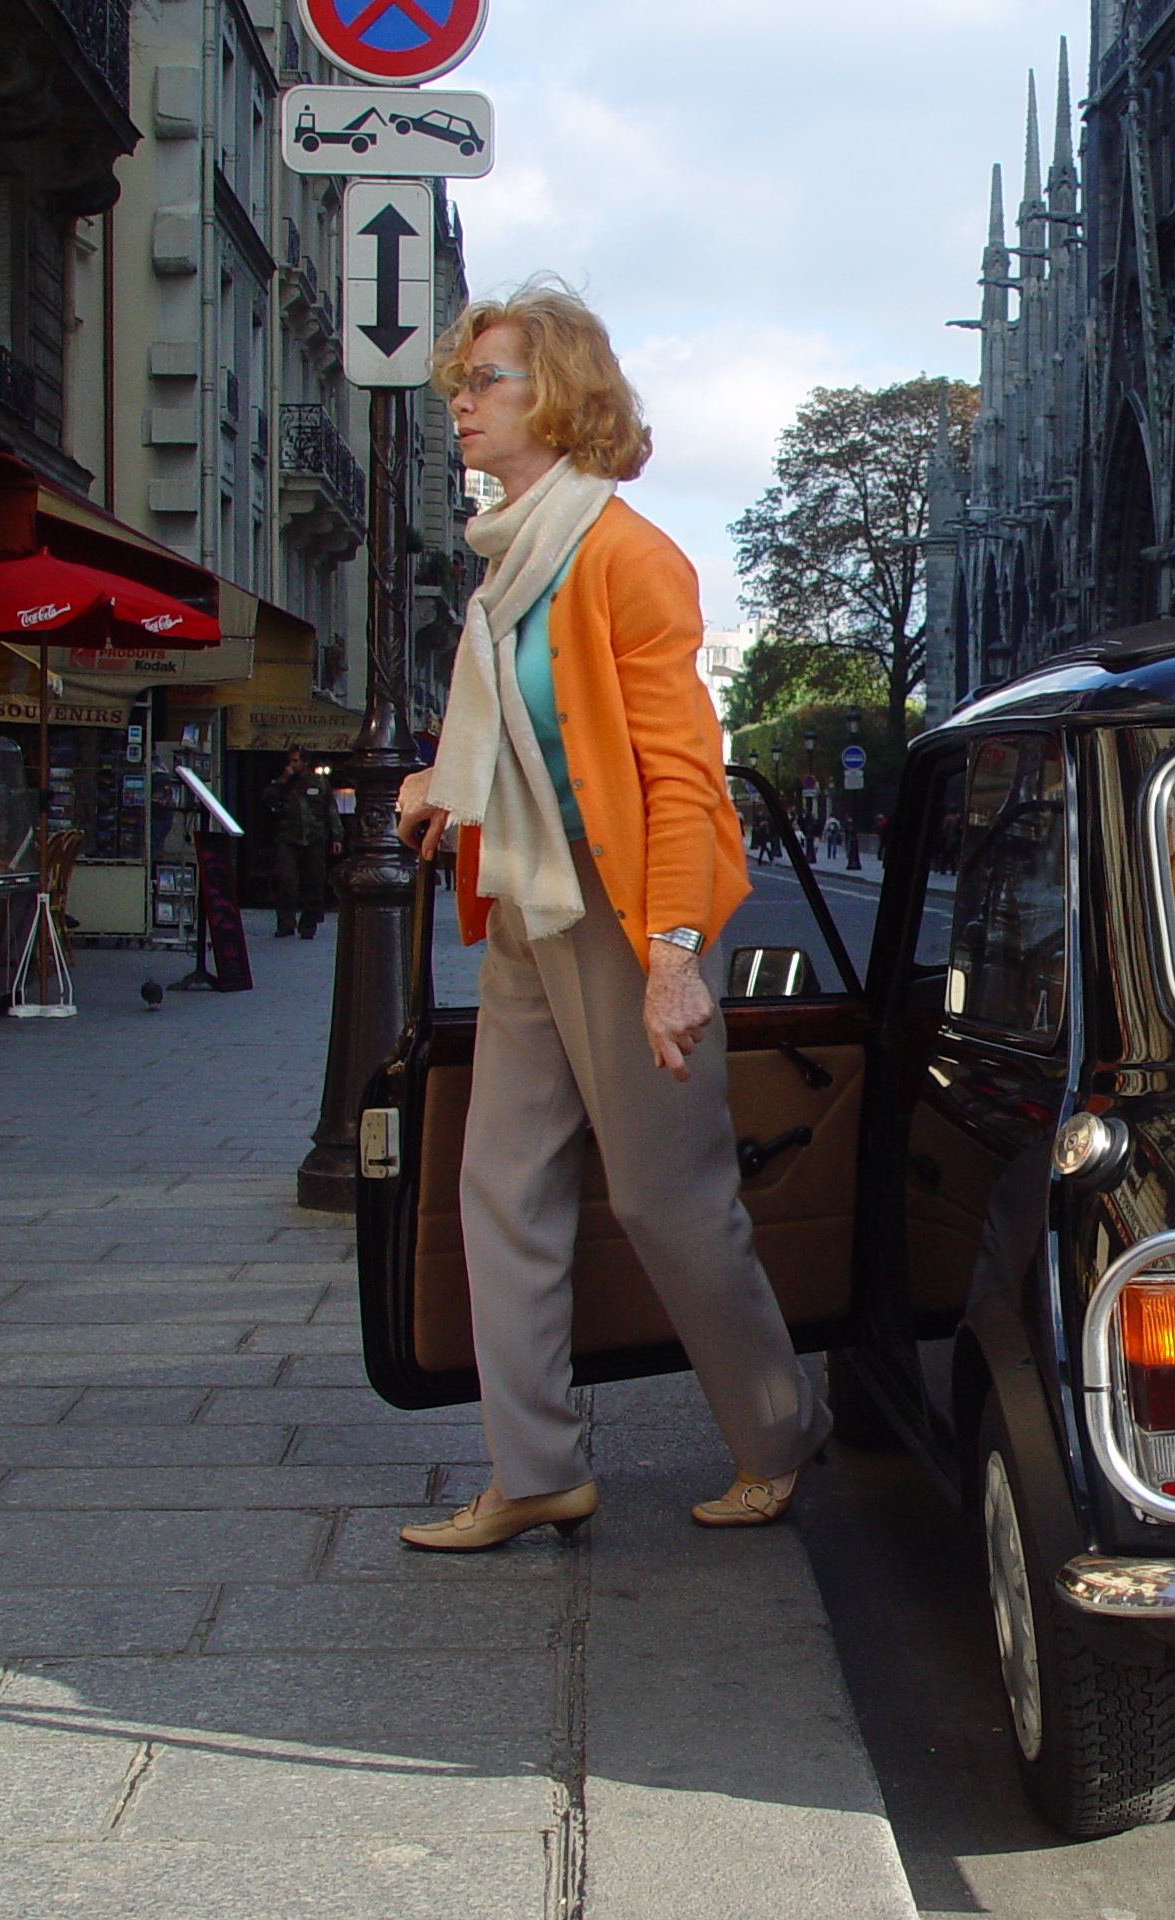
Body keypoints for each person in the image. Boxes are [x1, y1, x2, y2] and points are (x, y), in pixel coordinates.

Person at [391, 280, 828, 1552]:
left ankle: (774, 1431)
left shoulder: (627, 557)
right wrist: (439, 781)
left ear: (564, 397)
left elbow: (684, 773)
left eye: (489, 383)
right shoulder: (507, 564)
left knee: (666, 1197)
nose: (463, 405)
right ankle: (535, 1470)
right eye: (458, 387)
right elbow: (515, 735)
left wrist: (676, 954)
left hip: (620, 910)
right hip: (526, 899)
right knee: (499, 1185)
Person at [262, 746, 341, 938]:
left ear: (305, 762)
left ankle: (308, 924)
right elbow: (268, 799)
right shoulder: (284, 783)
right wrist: (282, 780)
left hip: (314, 838)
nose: (292, 765)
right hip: (289, 837)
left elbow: (331, 811)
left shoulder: (319, 783)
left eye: (296, 761)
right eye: (290, 761)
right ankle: (286, 923)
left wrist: (337, 836)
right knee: (285, 879)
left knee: (313, 882)